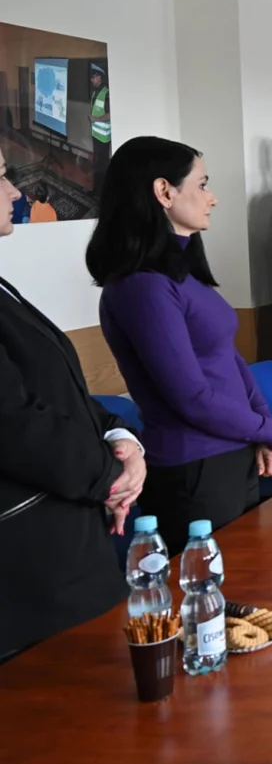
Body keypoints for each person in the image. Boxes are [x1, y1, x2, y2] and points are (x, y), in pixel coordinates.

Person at [87, 137, 272, 540]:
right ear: (164, 191)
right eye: (202, 184)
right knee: (215, 579)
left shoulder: (181, 273)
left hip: (235, 450)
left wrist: (267, 429)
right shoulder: (141, 286)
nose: (212, 197)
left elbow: (229, 359)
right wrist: (271, 432)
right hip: (195, 467)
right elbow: (191, 396)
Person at [1, 146, 147, 660]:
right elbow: (13, 424)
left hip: (69, 539)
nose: (14, 192)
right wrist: (110, 476)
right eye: (2, 177)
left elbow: (59, 391)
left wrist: (119, 435)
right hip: (32, 564)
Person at [88, 63, 110, 197]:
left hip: (104, 138)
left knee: (101, 167)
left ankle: (101, 192)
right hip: (96, 136)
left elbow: (109, 115)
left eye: (93, 77)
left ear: (99, 77)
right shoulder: (95, 92)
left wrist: (94, 119)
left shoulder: (106, 93)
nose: (91, 80)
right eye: (91, 78)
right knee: (97, 165)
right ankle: (96, 190)